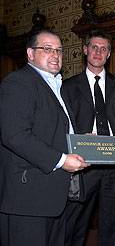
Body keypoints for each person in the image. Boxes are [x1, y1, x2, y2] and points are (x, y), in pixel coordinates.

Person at [0, 29, 88, 246]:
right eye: (47, 49)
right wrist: (62, 160)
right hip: (28, 197)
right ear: (30, 54)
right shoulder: (18, 82)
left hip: (53, 196)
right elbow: (15, 136)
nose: (55, 54)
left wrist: (81, 140)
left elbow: (53, 130)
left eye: (59, 50)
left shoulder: (58, 86)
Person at [62, 29, 115, 246]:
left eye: (104, 49)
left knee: (111, 224)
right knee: (77, 223)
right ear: (85, 50)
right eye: (94, 47)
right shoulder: (69, 86)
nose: (98, 52)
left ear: (109, 54)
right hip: (84, 164)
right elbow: (64, 126)